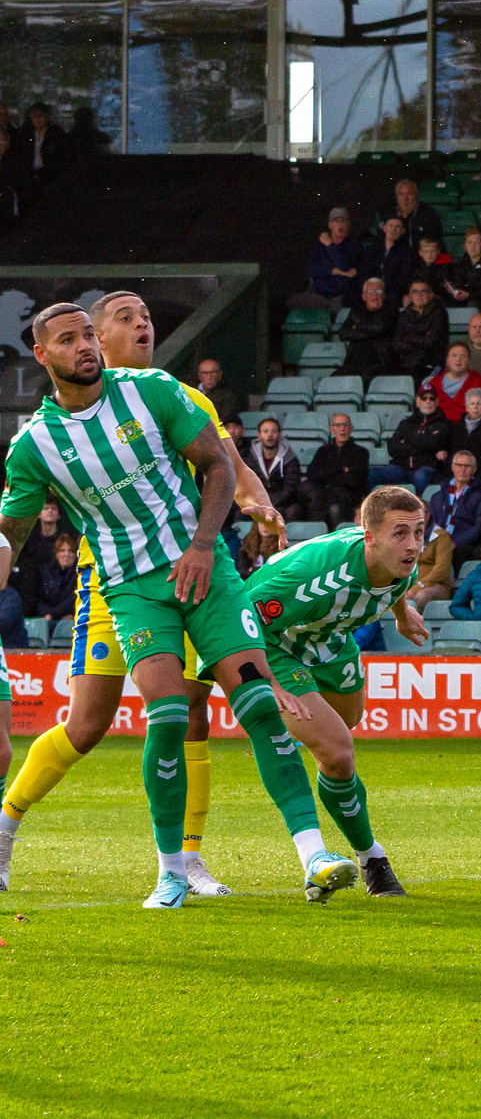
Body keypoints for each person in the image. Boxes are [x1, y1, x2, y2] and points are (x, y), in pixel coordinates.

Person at [0, 301, 349, 909]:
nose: (139, 328)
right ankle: (12, 828)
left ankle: (248, 857)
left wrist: (244, 518)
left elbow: (227, 466)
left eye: (89, 334)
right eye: (75, 337)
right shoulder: (36, 444)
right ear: (46, 353)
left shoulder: (163, 392)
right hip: (116, 587)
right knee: (96, 724)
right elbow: (12, 530)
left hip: (200, 568)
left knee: (224, 706)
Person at [244, 489, 433, 897]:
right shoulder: (314, 575)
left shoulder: (403, 565)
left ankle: (327, 782)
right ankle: (371, 858)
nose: (414, 545)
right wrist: (270, 685)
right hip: (276, 647)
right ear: (369, 537)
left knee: (345, 728)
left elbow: (399, 587)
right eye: (401, 533)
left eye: (419, 532)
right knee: (338, 749)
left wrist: (402, 617)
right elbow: (244, 615)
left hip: (332, 642)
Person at [302, 411, 371, 527]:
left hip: (347, 499)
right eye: (338, 426)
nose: (342, 429)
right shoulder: (322, 451)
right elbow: (312, 475)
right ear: (332, 430)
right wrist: (340, 469)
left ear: (352, 429)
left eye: (346, 425)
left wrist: (326, 477)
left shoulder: (360, 453)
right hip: (323, 496)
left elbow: (354, 480)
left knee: (333, 509)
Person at [380, 388, 455, 493]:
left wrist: (407, 443)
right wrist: (426, 448)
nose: (428, 401)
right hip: (403, 467)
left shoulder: (445, 424)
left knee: (421, 476)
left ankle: (420, 505)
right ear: (418, 401)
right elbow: (392, 447)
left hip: (428, 468)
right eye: (424, 398)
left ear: (437, 402)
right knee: (386, 471)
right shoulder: (406, 423)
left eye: (432, 398)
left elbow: (434, 444)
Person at [300, 207, 370, 311]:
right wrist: (335, 271)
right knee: (296, 302)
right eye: (337, 221)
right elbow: (310, 270)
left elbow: (344, 266)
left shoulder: (354, 245)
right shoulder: (318, 247)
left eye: (344, 221)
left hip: (342, 296)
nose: (341, 224)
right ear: (330, 225)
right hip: (319, 294)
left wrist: (330, 245)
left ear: (349, 225)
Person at [427, 452, 481, 564]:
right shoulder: (438, 496)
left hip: (461, 544)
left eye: (467, 466)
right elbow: (431, 523)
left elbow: (479, 527)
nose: (462, 469)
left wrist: (455, 543)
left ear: (474, 470)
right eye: (459, 465)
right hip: (438, 540)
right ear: (453, 467)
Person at [336, 276, 398, 377]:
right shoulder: (356, 310)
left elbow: (380, 328)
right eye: (370, 291)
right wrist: (372, 331)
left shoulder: (390, 310)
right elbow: (343, 333)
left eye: (378, 291)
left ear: (384, 295)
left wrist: (358, 326)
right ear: (363, 296)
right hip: (353, 362)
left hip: (380, 361)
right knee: (335, 378)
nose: (374, 294)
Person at [392, 278, 451, 380]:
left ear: (431, 295)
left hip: (431, 363)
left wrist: (408, 337)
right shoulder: (404, 315)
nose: (419, 294)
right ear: (410, 296)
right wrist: (422, 337)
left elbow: (432, 342)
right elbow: (397, 344)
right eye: (415, 291)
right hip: (408, 363)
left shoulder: (439, 313)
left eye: (423, 291)